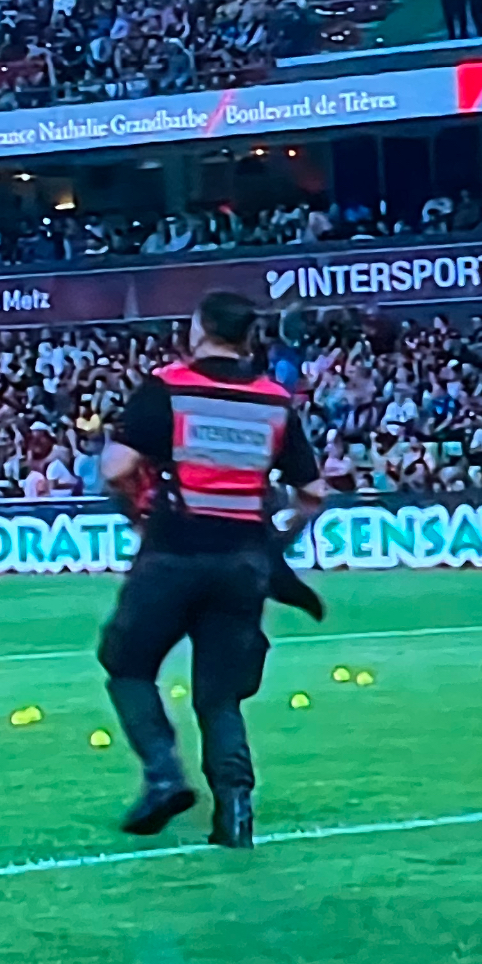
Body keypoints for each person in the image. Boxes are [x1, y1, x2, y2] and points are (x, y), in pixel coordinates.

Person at [96, 292, 329, 848]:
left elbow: (116, 468)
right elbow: (313, 494)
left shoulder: (169, 387)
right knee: (219, 694)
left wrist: (138, 516)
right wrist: (276, 538)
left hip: (175, 548)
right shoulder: (274, 401)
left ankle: (163, 775)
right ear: (249, 337)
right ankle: (236, 810)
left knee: (126, 663)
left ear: (197, 329)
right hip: (242, 560)